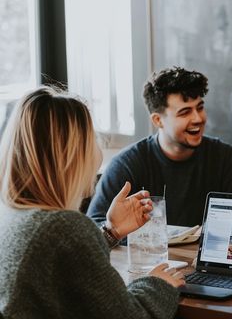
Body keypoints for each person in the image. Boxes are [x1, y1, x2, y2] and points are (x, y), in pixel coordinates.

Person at [0, 87, 184, 318]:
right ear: (72, 154)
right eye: (93, 140)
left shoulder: (12, 215)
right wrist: (158, 283)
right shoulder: (64, 227)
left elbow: (63, 266)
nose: (97, 152)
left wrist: (110, 232)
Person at [87, 66, 232, 227]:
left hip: (203, 255)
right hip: (150, 254)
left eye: (200, 108)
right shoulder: (127, 164)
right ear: (158, 120)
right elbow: (95, 227)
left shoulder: (225, 158)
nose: (198, 118)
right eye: (185, 112)